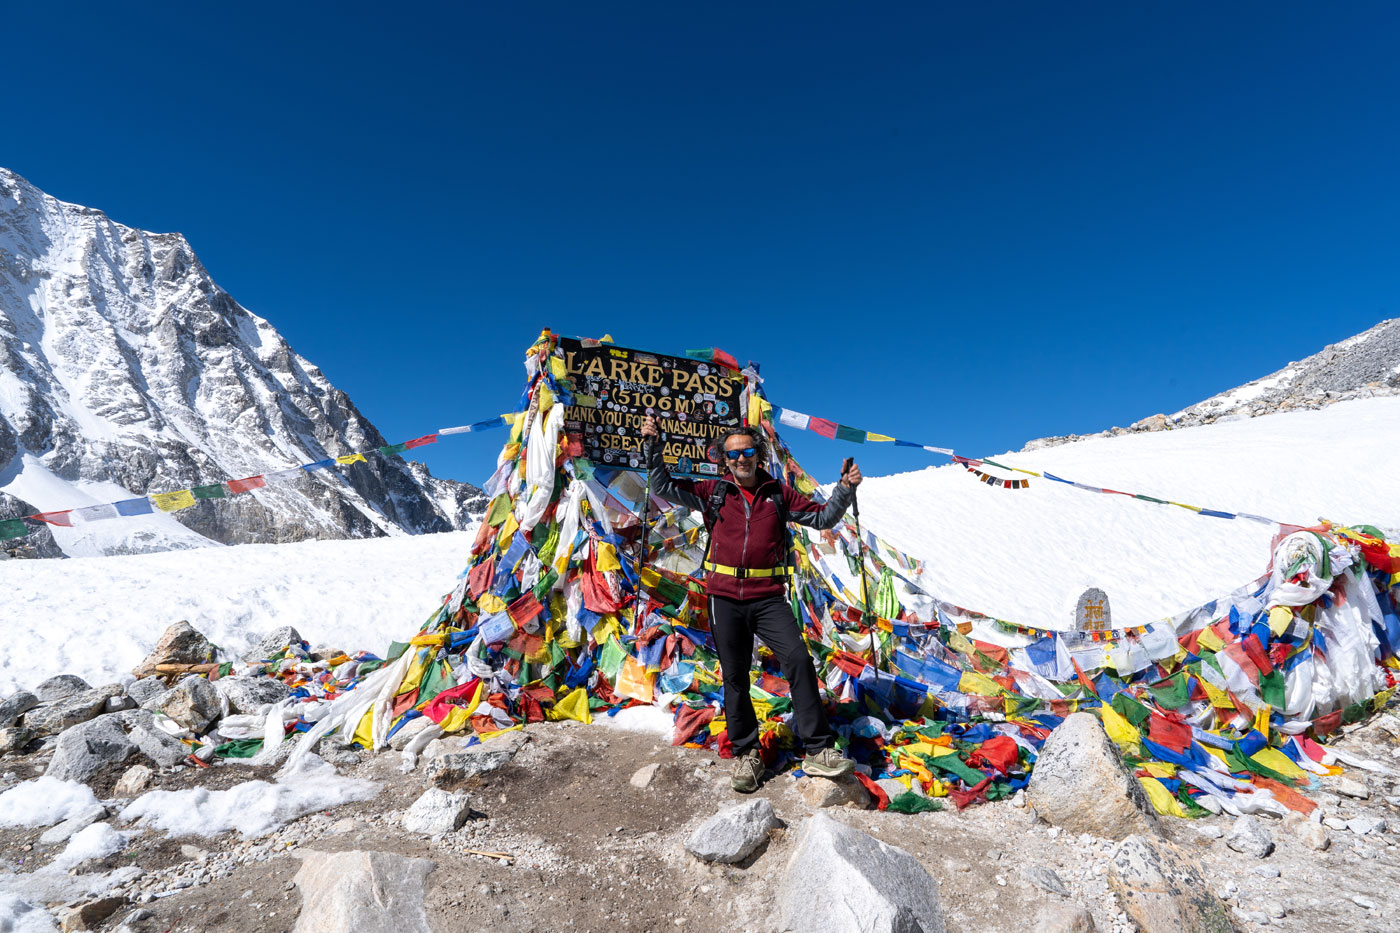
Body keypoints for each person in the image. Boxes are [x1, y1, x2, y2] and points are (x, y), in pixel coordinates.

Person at [641, 413, 863, 792]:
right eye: (732, 454)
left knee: (797, 659)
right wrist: (652, 445)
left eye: (747, 451)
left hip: (768, 598)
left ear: (758, 455)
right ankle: (747, 754)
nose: (740, 459)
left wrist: (844, 488)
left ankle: (818, 750)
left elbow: (824, 517)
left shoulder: (778, 493)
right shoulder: (712, 492)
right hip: (724, 597)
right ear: (723, 460)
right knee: (735, 675)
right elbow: (661, 483)